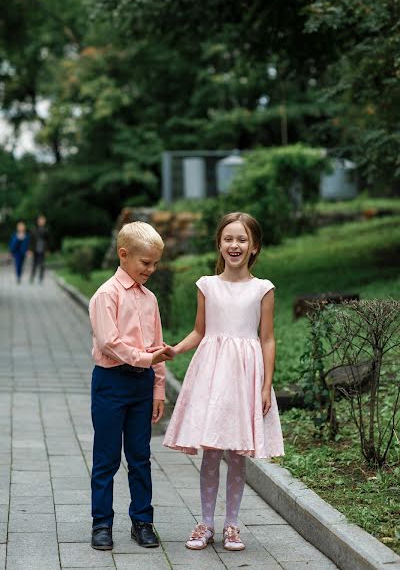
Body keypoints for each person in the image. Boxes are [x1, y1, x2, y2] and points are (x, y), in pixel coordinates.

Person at [163, 211, 284, 552]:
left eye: (242, 239)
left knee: (237, 451)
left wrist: (265, 385)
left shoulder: (263, 289)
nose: (235, 245)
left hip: (246, 375)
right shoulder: (207, 285)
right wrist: (176, 348)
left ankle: (232, 524)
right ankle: (205, 522)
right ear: (219, 243)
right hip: (212, 374)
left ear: (254, 246)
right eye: (228, 238)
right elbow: (200, 330)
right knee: (212, 450)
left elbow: (268, 339)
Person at [88, 221, 175, 551]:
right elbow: (110, 343)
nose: (151, 269)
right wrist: (146, 359)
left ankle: (142, 520)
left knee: (140, 456)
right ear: (123, 255)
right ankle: (101, 523)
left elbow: (157, 345)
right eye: (146, 263)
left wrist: (158, 388)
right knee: (107, 457)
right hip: (111, 382)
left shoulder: (149, 299)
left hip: (141, 386)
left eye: (155, 263)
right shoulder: (105, 296)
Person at [30, 214, 49, 283]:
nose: (41, 221)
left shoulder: (46, 230)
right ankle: (32, 277)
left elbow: (48, 241)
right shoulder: (34, 229)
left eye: (43, 220)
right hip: (35, 248)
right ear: (38, 221)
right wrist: (30, 250)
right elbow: (31, 240)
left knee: (42, 264)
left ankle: (41, 278)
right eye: (40, 220)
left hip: (43, 249)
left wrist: (47, 250)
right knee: (34, 264)